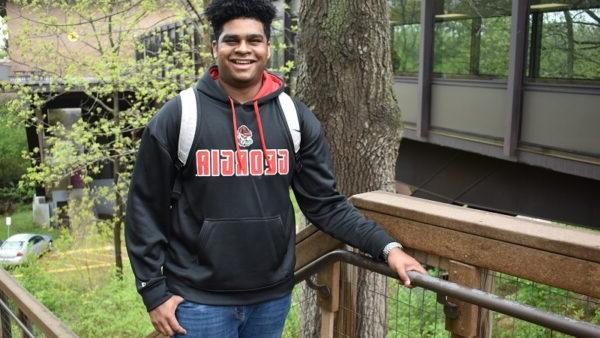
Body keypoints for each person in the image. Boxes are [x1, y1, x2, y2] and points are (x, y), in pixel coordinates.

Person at [125, 0, 427, 337]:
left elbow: (325, 204)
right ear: (215, 47)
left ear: (268, 47)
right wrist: (153, 291)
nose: (243, 49)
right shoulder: (180, 115)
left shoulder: (293, 117)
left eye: (254, 40)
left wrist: (387, 248)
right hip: (198, 301)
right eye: (232, 40)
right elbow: (144, 209)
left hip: (271, 299)